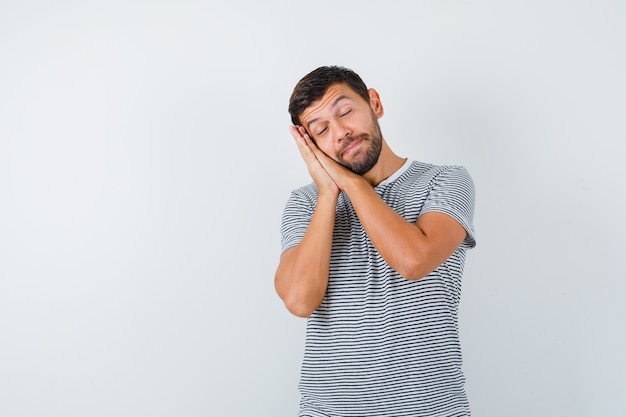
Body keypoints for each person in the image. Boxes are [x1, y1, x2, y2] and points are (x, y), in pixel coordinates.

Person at [275, 66, 476, 417]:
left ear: (374, 103)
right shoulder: (305, 203)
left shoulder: (444, 180)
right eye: (321, 130)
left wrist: (351, 184)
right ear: (311, 145)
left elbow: (414, 260)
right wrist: (327, 193)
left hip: (430, 410)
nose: (341, 133)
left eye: (345, 111)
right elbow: (299, 300)